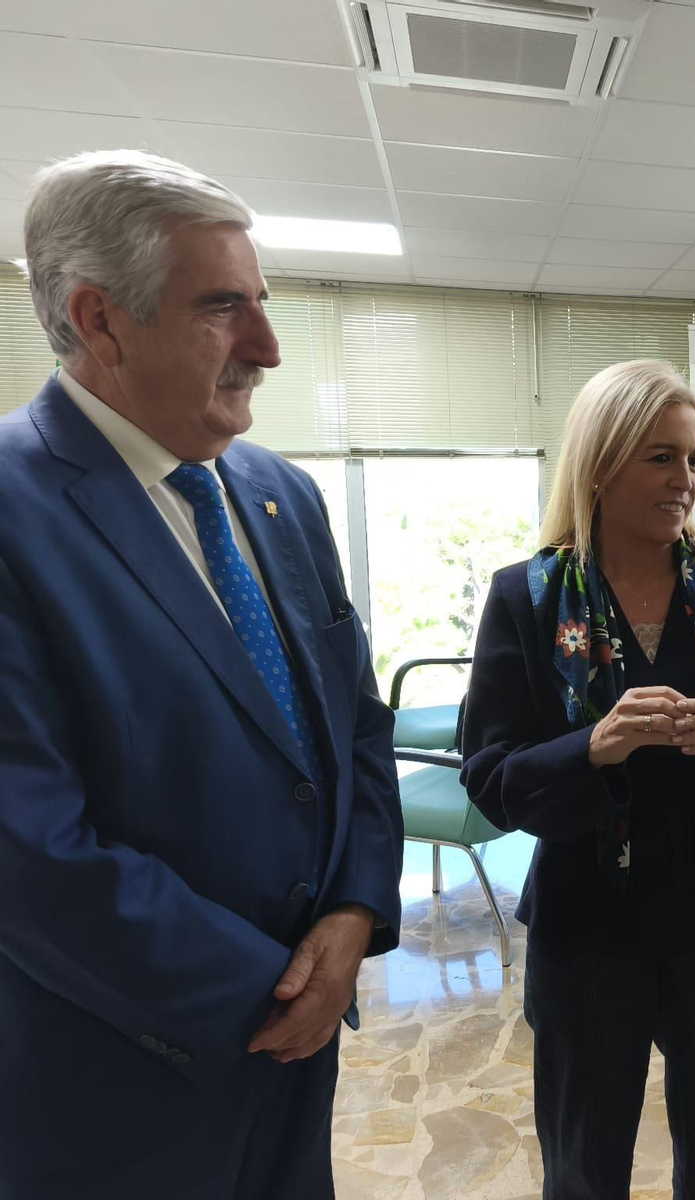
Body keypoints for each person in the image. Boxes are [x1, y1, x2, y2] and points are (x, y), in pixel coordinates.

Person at [0, 150, 404, 1196]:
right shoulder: (11, 512)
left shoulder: (280, 494)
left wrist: (356, 913)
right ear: (99, 319)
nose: (268, 346)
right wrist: (266, 990)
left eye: (261, 303)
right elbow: (28, 847)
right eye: (224, 308)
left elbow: (354, 725)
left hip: (300, 1058)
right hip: (120, 1073)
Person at [459, 359, 695, 1199]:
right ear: (601, 461)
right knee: (585, 1166)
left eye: (694, 459)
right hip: (588, 922)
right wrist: (594, 747)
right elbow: (492, 781)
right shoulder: (529, 597)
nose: (685, 481)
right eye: (662, 458)